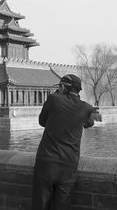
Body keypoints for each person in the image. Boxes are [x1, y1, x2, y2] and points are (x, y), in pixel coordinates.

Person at [32, 74, 94, 210]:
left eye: (60, 86)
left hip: (46, 163)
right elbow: (89, 123)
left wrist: (57, 95)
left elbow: (42, 121)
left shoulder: (53, 100)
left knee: (40, 205)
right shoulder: (85, 108)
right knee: (62, 206)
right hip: (68, 166)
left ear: (63, 87)